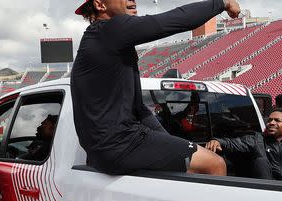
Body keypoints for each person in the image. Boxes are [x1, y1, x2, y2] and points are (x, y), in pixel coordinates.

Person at [71, 0, 241, 176]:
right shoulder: (110, 29)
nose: (132, 0)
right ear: (100, 5)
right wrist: (223, 3)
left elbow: (139, 109)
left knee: (190, 167)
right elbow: (172, 20)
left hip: (107, 151)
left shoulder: (102, 41)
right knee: (215, 164)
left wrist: (169, 141)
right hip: (122, 143)